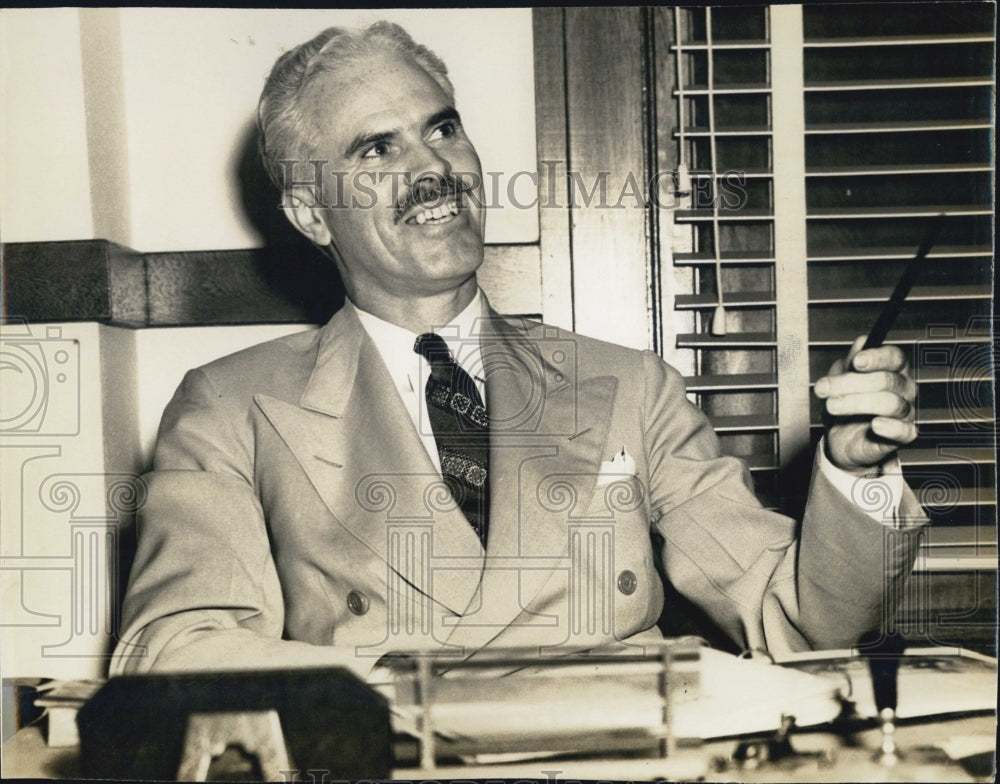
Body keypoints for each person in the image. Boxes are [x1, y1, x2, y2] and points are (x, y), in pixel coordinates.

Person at [111, 21, 926, 680]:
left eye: (442, 129)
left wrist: (854, 473)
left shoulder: (629, 386)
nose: (432, 167)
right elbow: (173, 650)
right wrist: (376, 697)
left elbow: (799, 621)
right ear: (311, 215)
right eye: (376, 149)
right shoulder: (230, 407)